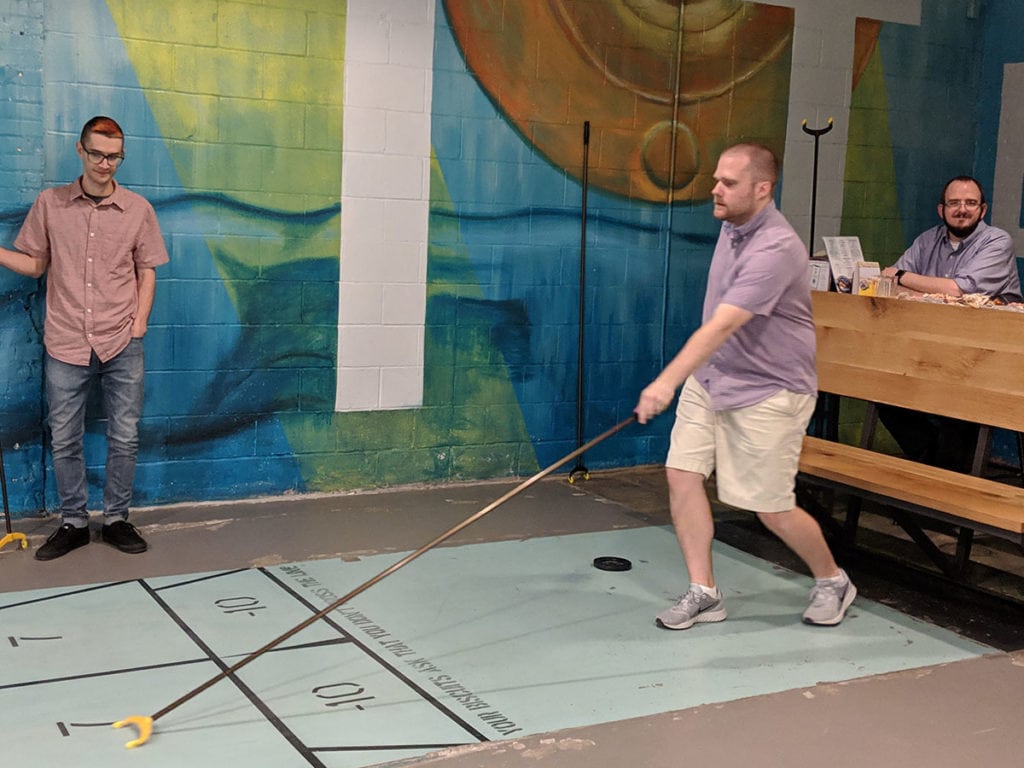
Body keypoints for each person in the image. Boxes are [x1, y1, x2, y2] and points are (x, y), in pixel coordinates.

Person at [634, 142, 855, 630]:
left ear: (762, 189)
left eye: (728, 183)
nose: (716, 189)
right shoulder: (732, 225)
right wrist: (687, 379)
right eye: (717, 179)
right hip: (713, 377)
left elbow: (721, 325)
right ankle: (704, 592)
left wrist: (664, 382)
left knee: (769, 509)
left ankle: (832, 579)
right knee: (682, 474)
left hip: (769, 390)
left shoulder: (776, 249)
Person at [0, 116, 169, 560]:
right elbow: (36, 265)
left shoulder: (138, 210)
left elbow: (146, 270)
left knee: (125, 435)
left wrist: (139, 324)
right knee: (65, 437)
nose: (105, 163)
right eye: (97, 153)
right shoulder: (51, 204)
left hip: (121, 340)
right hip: (66, 341)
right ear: (80, 150)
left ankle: (115, 519)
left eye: (114, 156)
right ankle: (73, 522)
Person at [878, 176, 1021, 471]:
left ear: (983, 210)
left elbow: (961, 289)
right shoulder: (927, 240)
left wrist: (904, 276)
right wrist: (919, 286)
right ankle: (931, 472)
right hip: (934, 353)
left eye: (970, 203)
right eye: (954, 203)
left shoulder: (996, 241)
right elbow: (887, 287)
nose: (962, 209)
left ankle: (942, 489)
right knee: (882, 389)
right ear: (941, 209)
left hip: (987, 361)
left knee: (957, 411)